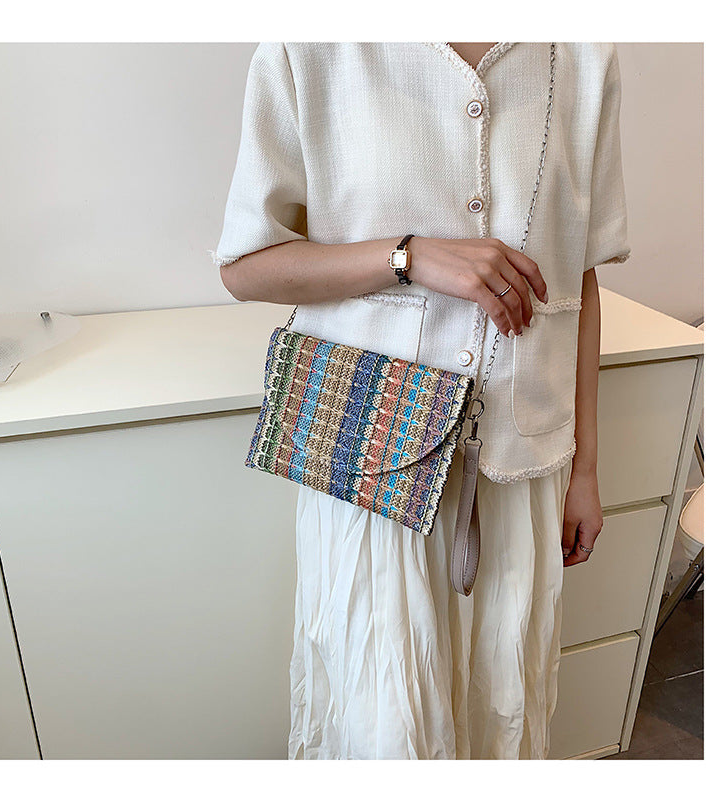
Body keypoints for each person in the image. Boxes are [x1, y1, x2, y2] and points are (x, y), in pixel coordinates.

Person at [213, 42, 630, 760]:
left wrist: (585, 470)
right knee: (385, 721)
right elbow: (247, 266)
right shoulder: (313, 48)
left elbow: (579, 278)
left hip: (524, 464)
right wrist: (410, 255)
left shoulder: (583, 54)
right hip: (374, 462)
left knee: (503, 706)